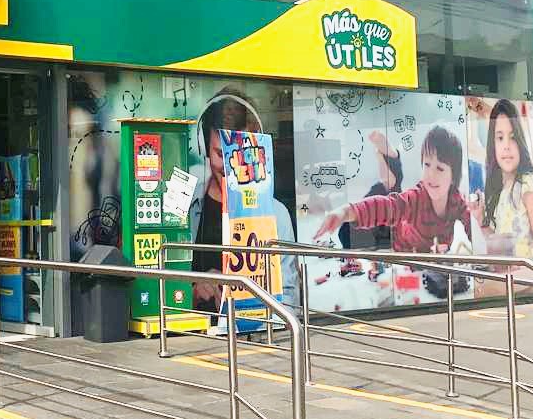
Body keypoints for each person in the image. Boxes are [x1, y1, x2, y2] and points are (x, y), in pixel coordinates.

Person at [189, 88, 296, 313]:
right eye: (221, 154)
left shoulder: (277, 214)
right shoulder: (185, 208)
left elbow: (288, 298)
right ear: (205, 148)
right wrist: (191, 292)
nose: (230, 166)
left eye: (239, 154)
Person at [314, 125, 470, 254]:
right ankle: (390, 169)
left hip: (404, 234)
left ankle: (391, 168)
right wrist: (345, 211)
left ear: (454, 175)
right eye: (427, 165)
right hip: (391, 235)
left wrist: (480, 222)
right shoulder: (416, 198)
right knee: (346, 235)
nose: (430, 174)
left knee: (390, 188)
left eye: (440, 168)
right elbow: (386, 206)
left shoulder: (457, 201)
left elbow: (473, 225)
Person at [469, 99, 533, 263]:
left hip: (529, 276)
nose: (506, 146)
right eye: (500, 138)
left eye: (513, 137)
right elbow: (501, 250)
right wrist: (481, 222)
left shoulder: (527, 184)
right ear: (492, 143)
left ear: (520, 141)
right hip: (508, 276)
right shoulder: (500, 190)